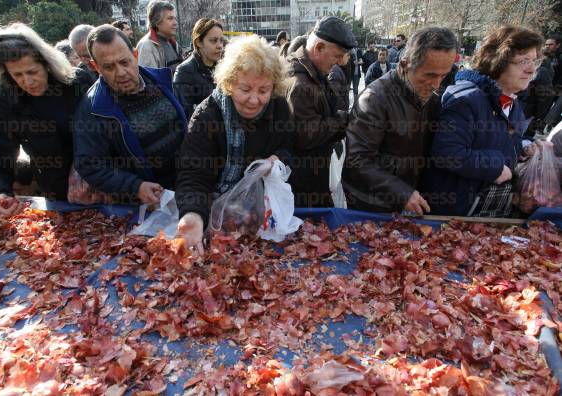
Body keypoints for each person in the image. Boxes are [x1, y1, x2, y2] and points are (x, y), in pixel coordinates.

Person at [175, 35, 293, 253]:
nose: (254, 100)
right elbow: (193, 175)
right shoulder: (207, 117)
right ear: (228, 83)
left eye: (263, 90)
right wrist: (193, 214)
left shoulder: (279, 109)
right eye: (245, 89)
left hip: (261, 213)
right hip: (215, 214)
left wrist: (275, 161)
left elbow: (288, 149)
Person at [0, 23, 93, 215]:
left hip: (99, 186)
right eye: (18, 75)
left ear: (47, 64)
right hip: (56, 196)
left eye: (32, 72)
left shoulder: (77, 83)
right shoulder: (7, 100)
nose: (27, 82)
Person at [422, 26, 543, 217]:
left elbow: (497, 141)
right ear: (498, 62)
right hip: (453, 215)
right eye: (523, 61)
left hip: (486, 212)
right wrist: (495, 167)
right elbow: (447, 153)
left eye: (534, 60)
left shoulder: (513, 103)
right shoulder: (466, 99)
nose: (531, 69)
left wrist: (523, 147)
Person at [342, 27, 458, 215]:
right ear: (405, 65)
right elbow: (358, 160)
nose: (436, 84)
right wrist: (401, 193)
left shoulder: (432, 96)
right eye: (430, 75)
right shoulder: (375, 98)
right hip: (370, 203)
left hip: (406, 199)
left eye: (443, 76)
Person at [73, 25, 186, 205]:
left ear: (135, 55)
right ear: (95, 67)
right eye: (109, 67)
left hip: (184, 189)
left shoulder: (164, 82)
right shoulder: (92, 109)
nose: (121, 73)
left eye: (124, 62)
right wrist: (135, 186)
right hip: (142, 205)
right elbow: (90, 165)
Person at [285, 16, 357, 207]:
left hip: (312, 179)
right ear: (318, 48)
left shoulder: (314, 72)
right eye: (337, 55)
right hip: (302, 187)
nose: (341, 62)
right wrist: (344, 120)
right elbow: (307, 135)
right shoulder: (300, 83)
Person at [173, 18, 223, 119]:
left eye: (221, 40)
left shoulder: (224, 67)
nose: (220, 46)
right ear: (199, 42)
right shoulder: (184, 72)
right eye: (213, 41)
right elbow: (186, 115)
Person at [136, 0, 184, 72]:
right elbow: (150, 80)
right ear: (157, 22)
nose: (175, 23)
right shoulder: (146, 46)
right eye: (170, 18)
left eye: (175, 18)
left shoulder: (173, 43)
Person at [520, 47, 555, 136]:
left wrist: (537, 114)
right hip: (521, 109)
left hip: (527, 113)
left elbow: (546, 96)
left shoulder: (542, 71)